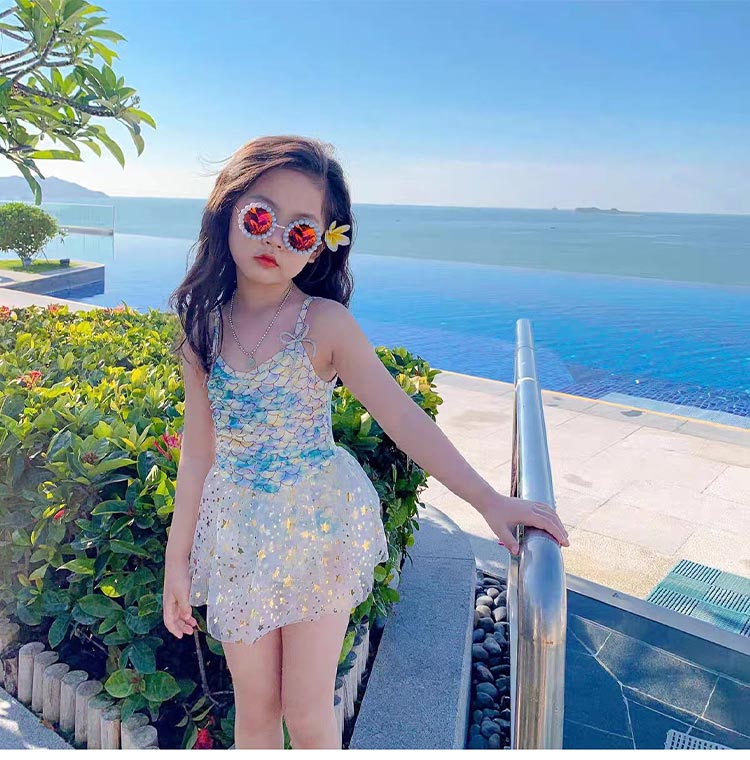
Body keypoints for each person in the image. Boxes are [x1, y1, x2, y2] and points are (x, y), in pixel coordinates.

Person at [162, 135, 569, 750]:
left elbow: (403, 418)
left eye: (301, 230)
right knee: (255, 710)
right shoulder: (202, 329)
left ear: (322, 244)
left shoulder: (324, 323)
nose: (276, 240)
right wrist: (178, 562)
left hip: (317, 527)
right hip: (239, 533)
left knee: (305, 711)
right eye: (261, 217)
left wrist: (489, 500)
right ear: (229, 212)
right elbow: (198, 456)